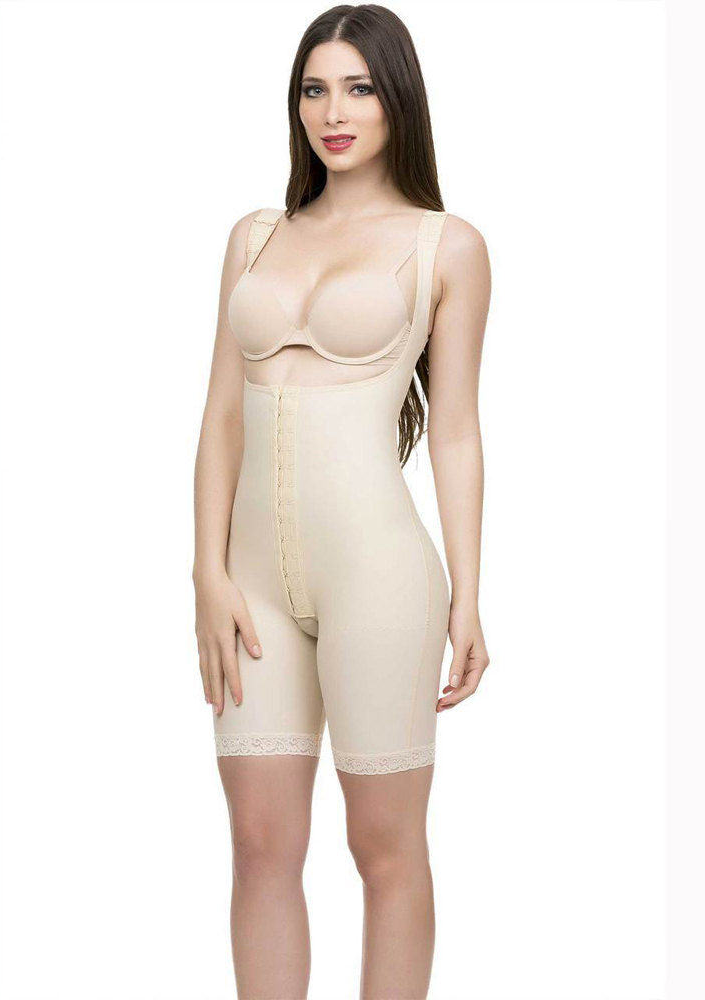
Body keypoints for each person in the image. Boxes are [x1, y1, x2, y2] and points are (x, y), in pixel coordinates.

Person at [191, 5, 491, 997]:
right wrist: (205, 574)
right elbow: (221, 417)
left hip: (379, 577)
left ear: (397, 98)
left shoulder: (446, 247)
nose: (335, 111)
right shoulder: (254, 237)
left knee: (384, 847)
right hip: (250, 585)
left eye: (359, 88)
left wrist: (469, 596)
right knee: (260, 844)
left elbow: (454, 430)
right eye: (314, 89)